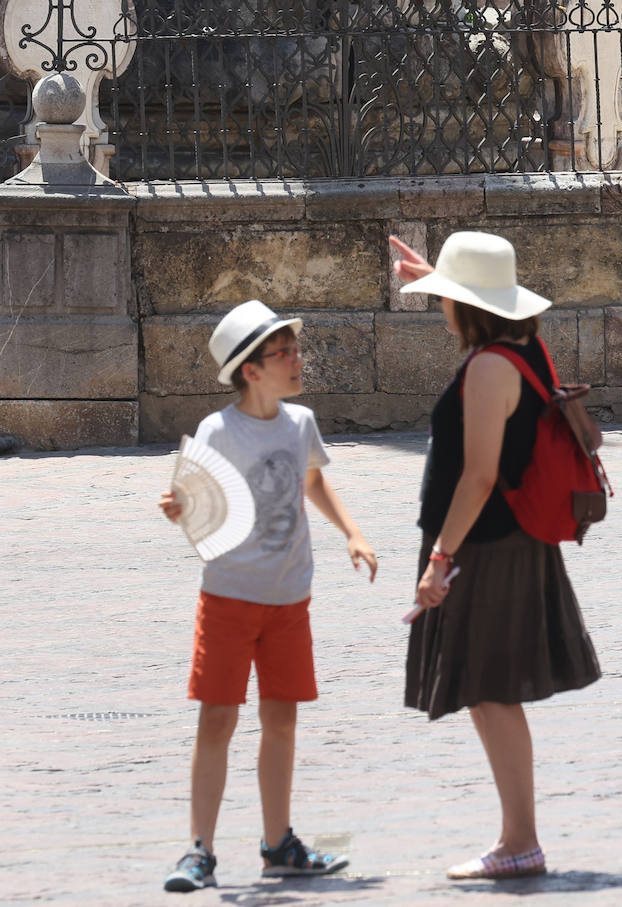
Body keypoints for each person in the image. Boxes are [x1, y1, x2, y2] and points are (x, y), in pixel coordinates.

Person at [391, 231, 601, 880]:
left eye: (449, 296)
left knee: (491, 691)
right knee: (489, 691)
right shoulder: (524, 348)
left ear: (468, 306)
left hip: (487, 545)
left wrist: (439, 559)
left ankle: (520, 840)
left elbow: (478, 476)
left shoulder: (487, 369)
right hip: (509, 542)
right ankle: (519, 836)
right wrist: (442, 276)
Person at [158, 299, 377, 892]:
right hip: (228, 598)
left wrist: (353, 533)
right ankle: (199, 849)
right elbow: (196, 504)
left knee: (281, 719)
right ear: (251, 370)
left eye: (293, 349)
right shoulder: (216, 431)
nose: (296, 359)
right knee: (217, 720)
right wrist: (180, 508)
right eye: (284, 352)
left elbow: (312, 480)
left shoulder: (300, 423)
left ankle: (278, 844)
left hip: (289, 601)